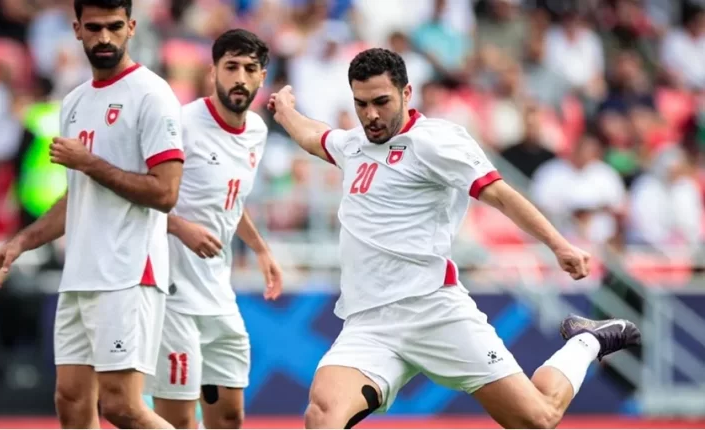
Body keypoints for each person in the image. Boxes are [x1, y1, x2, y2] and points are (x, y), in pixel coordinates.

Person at [267, 48, 641, 429]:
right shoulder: (353, 146)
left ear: (406, 93)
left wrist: (559, 244)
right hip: (369, 323)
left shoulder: (436, 141)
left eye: (381, 101)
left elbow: (500, 194)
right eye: (361, 104)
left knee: (538, 418)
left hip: (434, 310)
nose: (371, 115)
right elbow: (314, 135)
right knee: (322, 416)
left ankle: (586, 341)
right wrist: (285, 111)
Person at [0, 1, 184, 428]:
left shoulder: (151, 94)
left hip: (127, 271)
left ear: (132, 27)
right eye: (94, 28)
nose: (104, 38)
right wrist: (20, 242)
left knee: (122, 406)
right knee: (72, 403)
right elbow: (79, 194)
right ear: (77, 29)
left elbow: (166, 193)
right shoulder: (74, 102)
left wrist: (90, 163)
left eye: (115, 26)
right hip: (80, 272)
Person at [146, 29, 283, 429]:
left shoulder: (256, 131)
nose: (240, 77)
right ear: (213, 72)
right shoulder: (180, 124)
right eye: (231, 67)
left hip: (218, 293)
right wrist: (179, 227)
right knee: (178, 421)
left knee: (229, 417)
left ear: (261, 77)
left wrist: (260, 249)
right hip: (173, 296)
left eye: (250, 69)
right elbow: (137, 195)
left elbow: (229, 200)